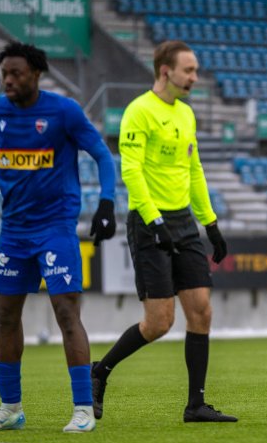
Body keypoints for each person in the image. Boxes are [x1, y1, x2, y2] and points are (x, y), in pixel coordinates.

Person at [0, 41, 118, 434]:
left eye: (16, 73)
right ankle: (11, 408)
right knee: (6, 316)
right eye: (4, 73)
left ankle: (83, 409)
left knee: (67, 314)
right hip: (14, 232)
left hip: (55, 229)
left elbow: (103, 155)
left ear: (36, 74)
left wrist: (106, 203)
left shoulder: (64, 111)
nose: (8, 80)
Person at [91, 40, 235, 423]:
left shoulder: (186, 114)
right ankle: (99, 371)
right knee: (159, 323)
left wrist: (211, 224)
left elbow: (194, 170)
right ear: (165, 71)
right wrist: (154, 221)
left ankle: (195, 405)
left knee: (201, 311)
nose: (195, 77)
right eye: (189, 70)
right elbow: (131, 172)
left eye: (196, 70)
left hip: (183, 222)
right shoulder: (138, 111)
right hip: (147, 222)